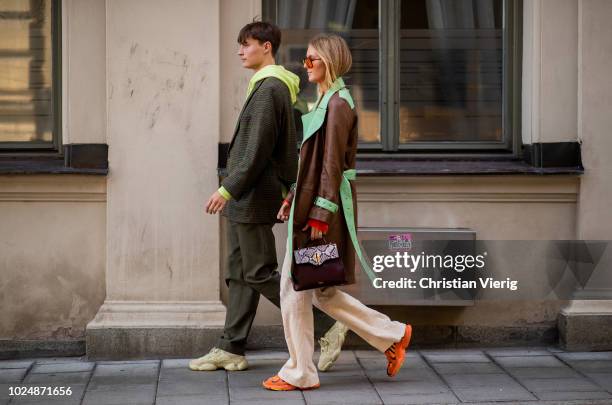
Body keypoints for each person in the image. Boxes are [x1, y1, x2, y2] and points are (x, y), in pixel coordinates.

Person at [190, 21, 348, 373]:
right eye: (240, 44)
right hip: (247, 196)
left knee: (259, 271)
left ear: (266, 46)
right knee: (239, 272)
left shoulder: (270, 88)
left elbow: (258, 149)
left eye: (246, 44)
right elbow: (284, 147)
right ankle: (231, 347)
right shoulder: (271, 87)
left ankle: (330, 327)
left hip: (251, 195)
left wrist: (226, 189)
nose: (240, 51)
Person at [263, 33, 413, 391]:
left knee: (295, 289)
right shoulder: (327, 101)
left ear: (329, 61)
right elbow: (312, 163)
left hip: (320, 210)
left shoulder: (337, 105)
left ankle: (301, 373)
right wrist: (294, 196)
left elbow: (331, 164)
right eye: (305, 60)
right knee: (319, 290)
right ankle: (393, 335)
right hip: (312, 203)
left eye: (311, 60)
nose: (306, 66)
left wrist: (319, 214)